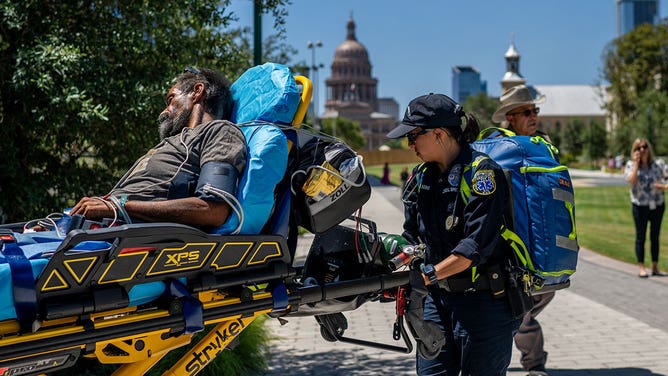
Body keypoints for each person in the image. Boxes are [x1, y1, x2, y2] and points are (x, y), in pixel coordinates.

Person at [388, 93, 520, 375]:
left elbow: (472, 249)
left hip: (484, 303)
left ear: (439, 134)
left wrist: (426, 275)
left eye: (413, 136)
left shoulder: (482, 174)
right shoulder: (421, 177)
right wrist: (390, 265)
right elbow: (412, 237)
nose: (409, 144)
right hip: (437, 301)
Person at [70, 67, 247, 230]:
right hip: (95, 226)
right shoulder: (169, 145)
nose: (163, 112)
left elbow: (213, 211)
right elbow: (127, 197)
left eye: (170, 99)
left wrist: (119, 207)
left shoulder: (220, 132)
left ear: (197, 92)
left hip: (127, 238)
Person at [491, 84, 554, 376]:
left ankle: (530, 357)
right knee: (520, 307)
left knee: (526, 304)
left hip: (540, 239)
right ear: (510, 118)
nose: (533, 116)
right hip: (513, 241)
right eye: (526, 112)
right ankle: (534, 362)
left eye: (535, 111)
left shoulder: (544, 146)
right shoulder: (499, 148)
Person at [624, 138, 668, 278]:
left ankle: (655, 267)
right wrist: (637, 163)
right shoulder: (631, 165)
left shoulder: (658, 164)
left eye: (644, 147)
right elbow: (631, 181)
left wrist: (664, 187)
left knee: (655, 236)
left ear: (649, 148)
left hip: (657, 205)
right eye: (638, 148)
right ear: (634, 151)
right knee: (640, 236)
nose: (642, 150)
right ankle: (641, 267)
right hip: (640, 206)